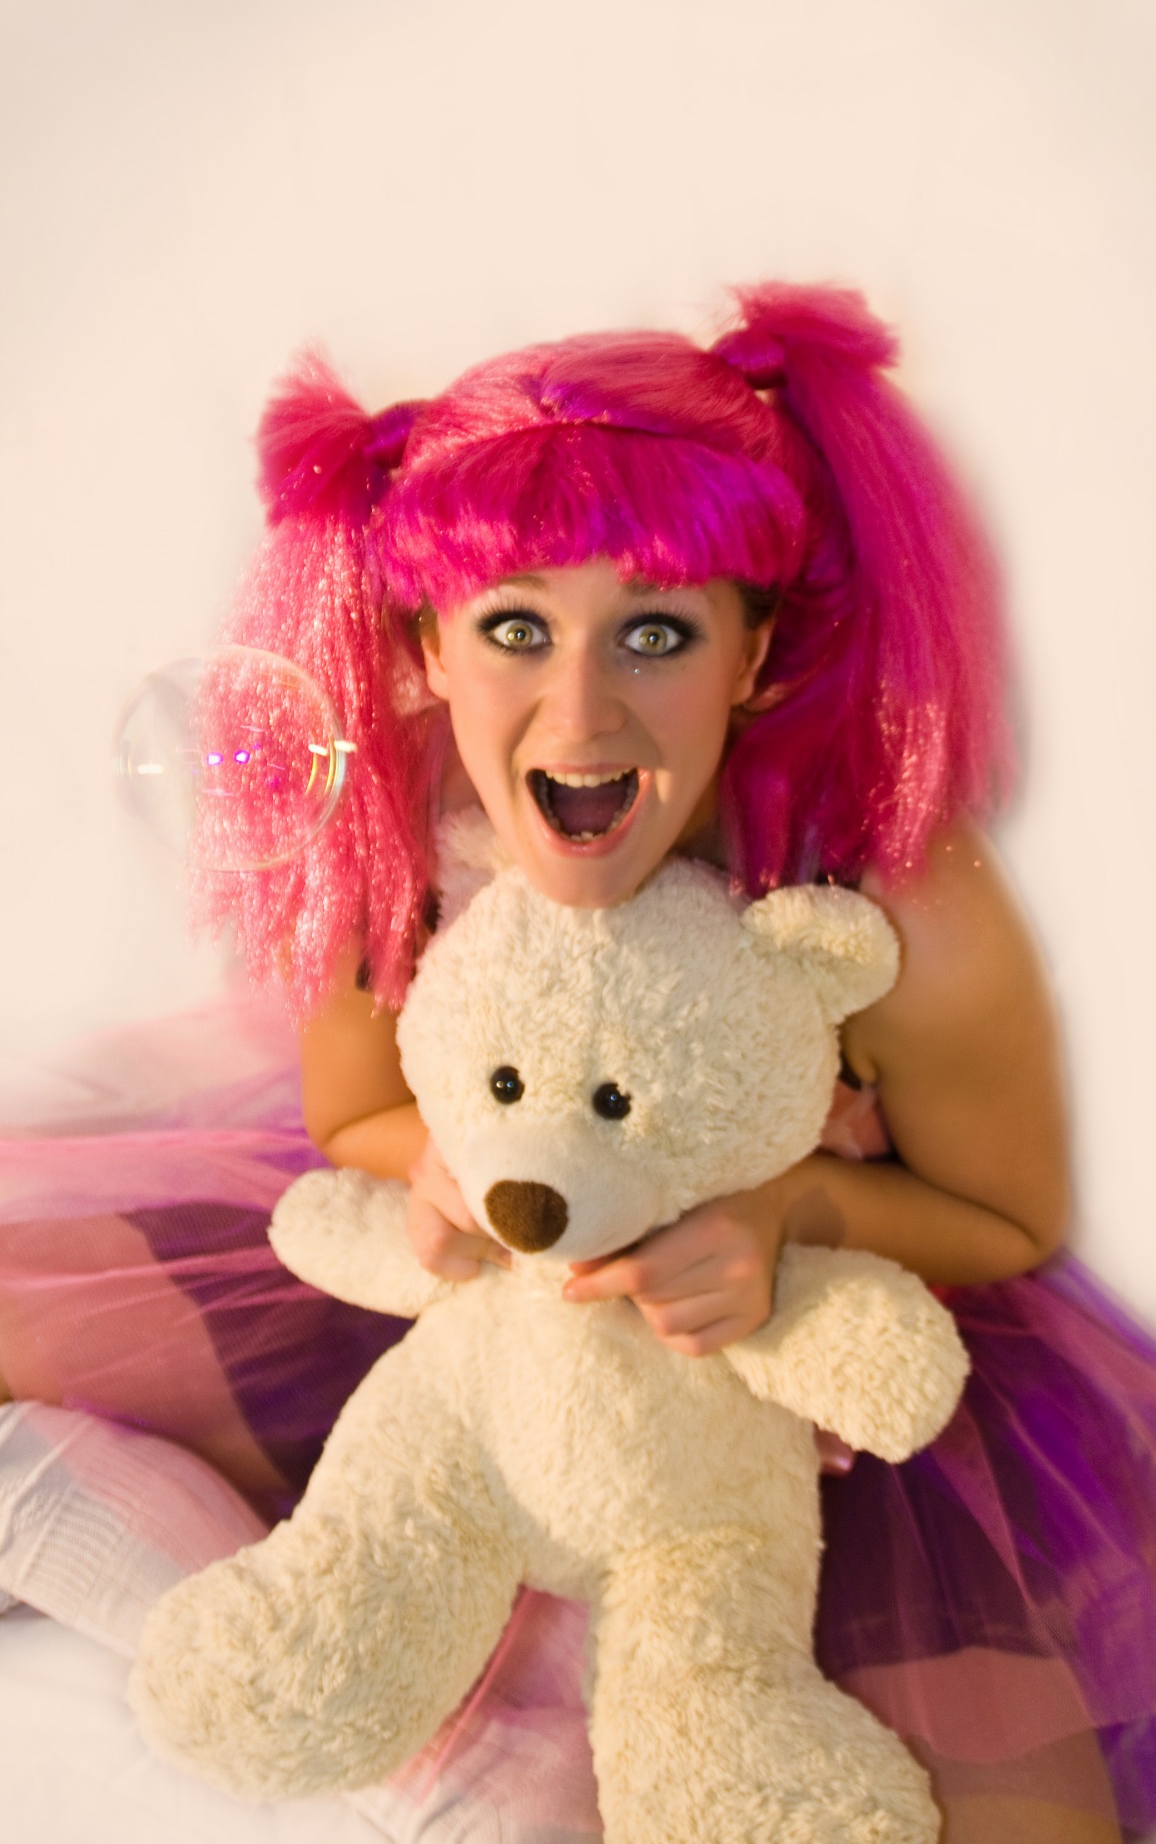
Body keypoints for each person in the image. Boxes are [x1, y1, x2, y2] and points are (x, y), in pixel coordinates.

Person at [2, 284, 1155, 1843]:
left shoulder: (888, 888)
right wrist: (445, 1169)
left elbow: (1005, 1218)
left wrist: (784, 1216)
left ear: (753, 655)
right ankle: (410, 1732)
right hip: (489, 1336)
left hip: (784, 1399)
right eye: (516, 628)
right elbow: (353, 1109)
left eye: (655, 634)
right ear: (431, 646)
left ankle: (548, 1732)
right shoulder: (405, 822)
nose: (581, 710)